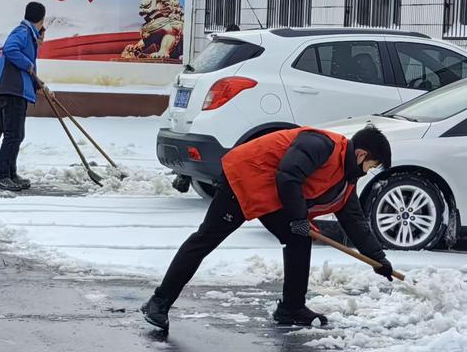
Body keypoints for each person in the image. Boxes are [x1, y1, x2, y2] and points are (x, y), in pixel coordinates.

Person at [141, 124, 395, 331]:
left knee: (298, 239)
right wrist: (297, 218)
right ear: (361, 154)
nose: (367, 172)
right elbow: (288, 175)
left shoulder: (344, 176)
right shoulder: (321, 145)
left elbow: (353, 219)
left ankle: (291, 308)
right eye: (371, 166)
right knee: (206, 239)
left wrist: (377, 259)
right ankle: (158, 302)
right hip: (245, 178)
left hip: (271, 192)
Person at [0, 2, 46, 191]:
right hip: (10, 92)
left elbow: (24, 69)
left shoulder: (26, 34)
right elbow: (10, 49)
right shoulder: (23, 32)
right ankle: (3, 176)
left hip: (1, 91)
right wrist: (29, 64)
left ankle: (10, 174)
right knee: (14, 135)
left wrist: (37, 84)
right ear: (41, 20)